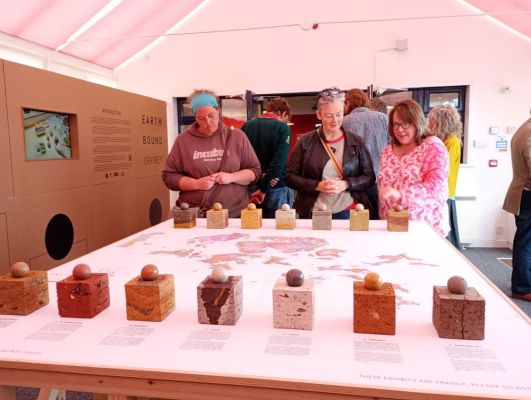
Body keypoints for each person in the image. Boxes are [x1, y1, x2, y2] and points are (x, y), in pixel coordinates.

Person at [162, 89, 261, 217]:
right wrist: (196, 184)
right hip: (195, 215)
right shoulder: (183, 140)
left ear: (218, 111)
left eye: (211, 115)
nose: (207, 122)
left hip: (234, 215)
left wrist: (231, 177)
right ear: (194, 117)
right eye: (201, 118)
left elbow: (255, 172)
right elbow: (169, 177)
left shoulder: (237, 137)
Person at [285, 87, 375, 219]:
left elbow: (369, 177)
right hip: (315, 211)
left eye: (339, 114)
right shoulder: (305, 142)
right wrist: (316, 185)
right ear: (319, 114)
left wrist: (346, 184)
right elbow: (289, 176)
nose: (335, 120)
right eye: (329, 115)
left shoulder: (356, 142)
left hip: (349, 210)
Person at [378, 99, 450, 236]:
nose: (399, 129)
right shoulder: (387, 151)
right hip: (390, 224)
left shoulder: (433, 146)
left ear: (417, 121)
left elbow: (436, 185)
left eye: (405, 123)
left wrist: (401, 194)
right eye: (396, 125)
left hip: (424, 226)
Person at [241, 98, 293, 218]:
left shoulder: (246, 126)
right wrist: (265, 186)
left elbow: (241, 158)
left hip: (251, 186)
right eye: (286, 119)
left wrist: (259, 178)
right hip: (276, 187)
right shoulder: (282, 128)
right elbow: (278, 163)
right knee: (279, 228)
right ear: (284, 114)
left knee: (253, 225)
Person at [342, 88, 389, 218]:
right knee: (378, 225)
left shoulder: (344, 122)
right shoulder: (383, 119)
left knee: (356, 225)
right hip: (380, 184)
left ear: (348, 103)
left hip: (354, 185)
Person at [503, 111, 531, 302]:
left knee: (525, 240)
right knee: (526, 243)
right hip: (527, 193)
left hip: (523, 193)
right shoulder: (529, 132)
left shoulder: (524, 128)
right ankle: (522, 287)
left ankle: (522, 283)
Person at [428, 104, 463, 248]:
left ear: (442, 122)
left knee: (445, 236)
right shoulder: (442, 140)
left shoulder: (452, 142)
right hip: (440, 192)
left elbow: (440, 168)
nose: (429, 125)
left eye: (432, 121)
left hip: (445, 193)